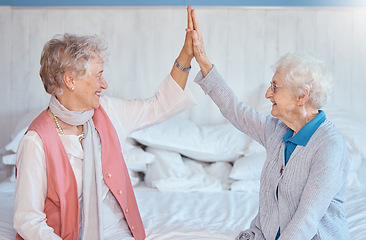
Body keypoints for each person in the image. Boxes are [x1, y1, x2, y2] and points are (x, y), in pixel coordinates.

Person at [13, 7, 197, 240]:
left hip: (118, 231)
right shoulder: (35, 142)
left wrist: (186, 55)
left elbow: (158, 106)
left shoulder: (107, 111)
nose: (105, 84)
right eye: (98, 75)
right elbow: (27, 219)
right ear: (71, 80)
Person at [186, 8, 350, 240]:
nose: (267, 94)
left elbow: (306, 220)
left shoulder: (329, 146)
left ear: (301, 96)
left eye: (275, 87)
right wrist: (201, 57)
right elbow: (235, 111)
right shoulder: (277, 130)